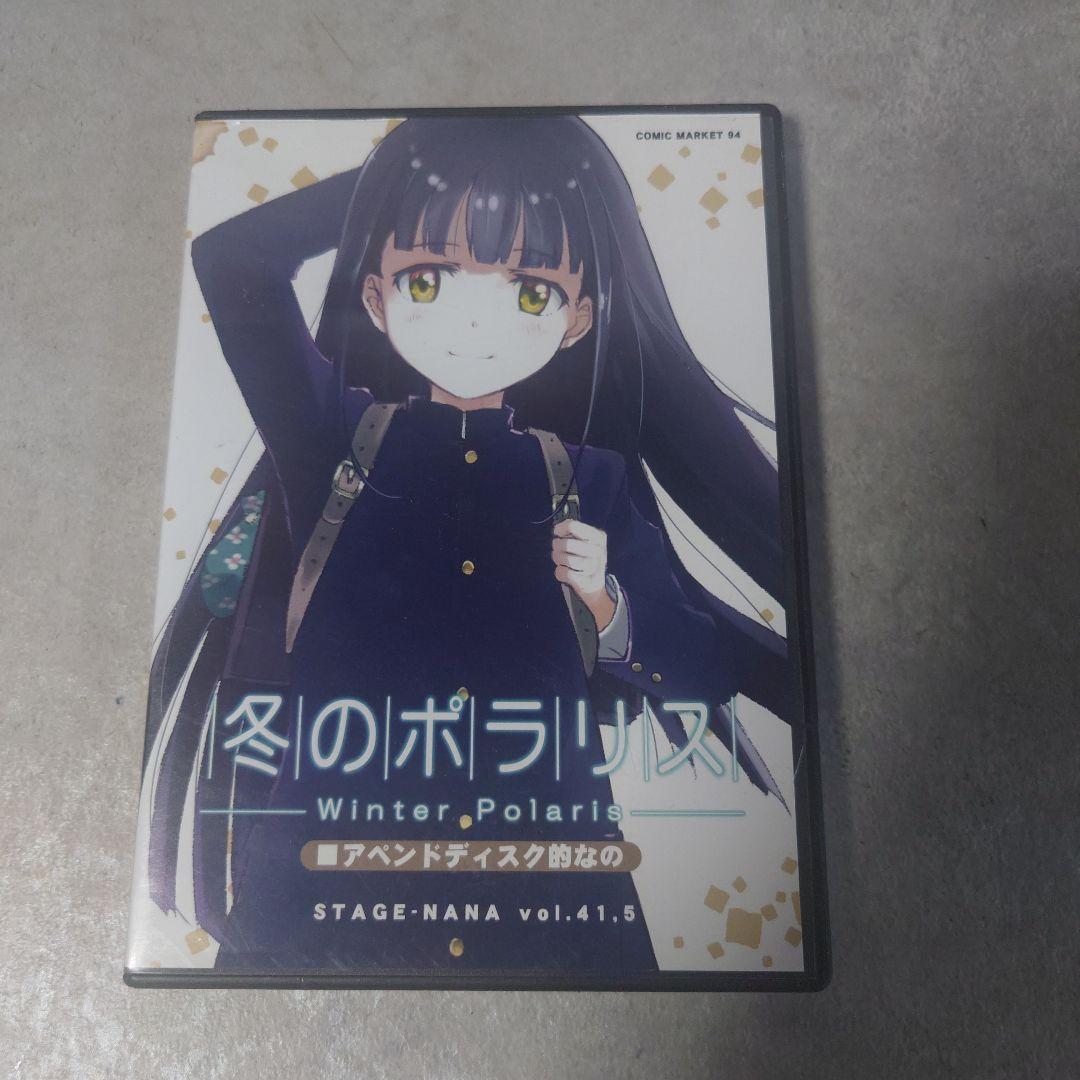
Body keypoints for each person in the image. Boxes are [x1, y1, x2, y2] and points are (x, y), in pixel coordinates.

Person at [145, 115, 792, 974]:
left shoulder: (588, 478)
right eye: (429, 277)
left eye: (528, 291)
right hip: (325, 898)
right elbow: (234, 260)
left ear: (576, 320)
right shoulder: (331, 441)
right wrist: (426, 174)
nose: (475, 319)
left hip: (554, 900)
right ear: (376, 299)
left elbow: (703, 671)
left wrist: (609, 607)